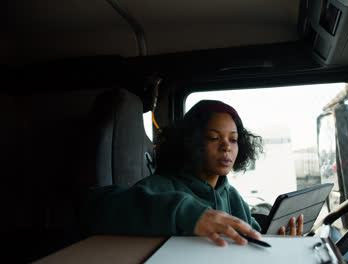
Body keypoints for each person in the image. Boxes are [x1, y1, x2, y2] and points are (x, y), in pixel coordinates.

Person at [83, 100, 303, 246]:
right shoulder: (162, 186)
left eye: (233, 139)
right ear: (192, 141)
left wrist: (279, 242)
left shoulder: (232, 195)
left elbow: (252, 238)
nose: (227, 147)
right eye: (214, 138)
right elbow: (93, 206)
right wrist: (184, 213)